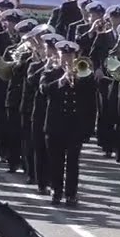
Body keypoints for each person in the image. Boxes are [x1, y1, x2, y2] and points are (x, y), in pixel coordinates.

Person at [41, 41, 96, 206]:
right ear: (58, 56)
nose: (67, 59)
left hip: (75, 127)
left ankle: (71, 194)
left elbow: (91, 104)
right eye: (64, 56)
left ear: (75, 57)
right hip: (55, 126)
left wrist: (89, 128)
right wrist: (61, 81)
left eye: (70, 56)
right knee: (56, 161)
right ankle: (56, 192)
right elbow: (43, 89)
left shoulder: (84, 74)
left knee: (73, 162)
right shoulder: (50, 72)